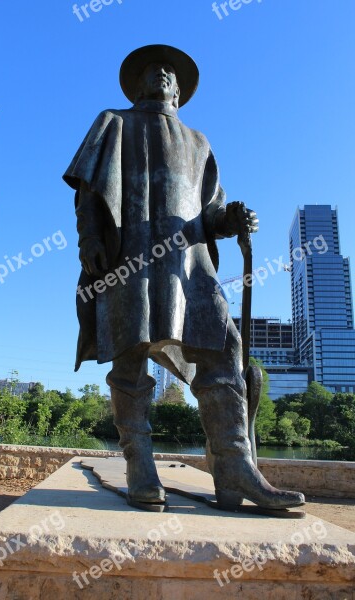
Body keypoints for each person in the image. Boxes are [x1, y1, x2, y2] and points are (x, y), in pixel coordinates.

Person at [63, 44, 304, 511]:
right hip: (127, 255)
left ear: (181, 90)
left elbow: (210, 210)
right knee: (130, 353)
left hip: (189, 263)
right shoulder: (113, 122)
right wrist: (89, 236)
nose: (163, 75)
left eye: (171, 72)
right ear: (138, 84)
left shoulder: (199, 142)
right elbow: (89, 193)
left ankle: (234, 466)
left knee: (222, 347)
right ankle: (140, 465)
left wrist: (231, 219)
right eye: (154, 70)